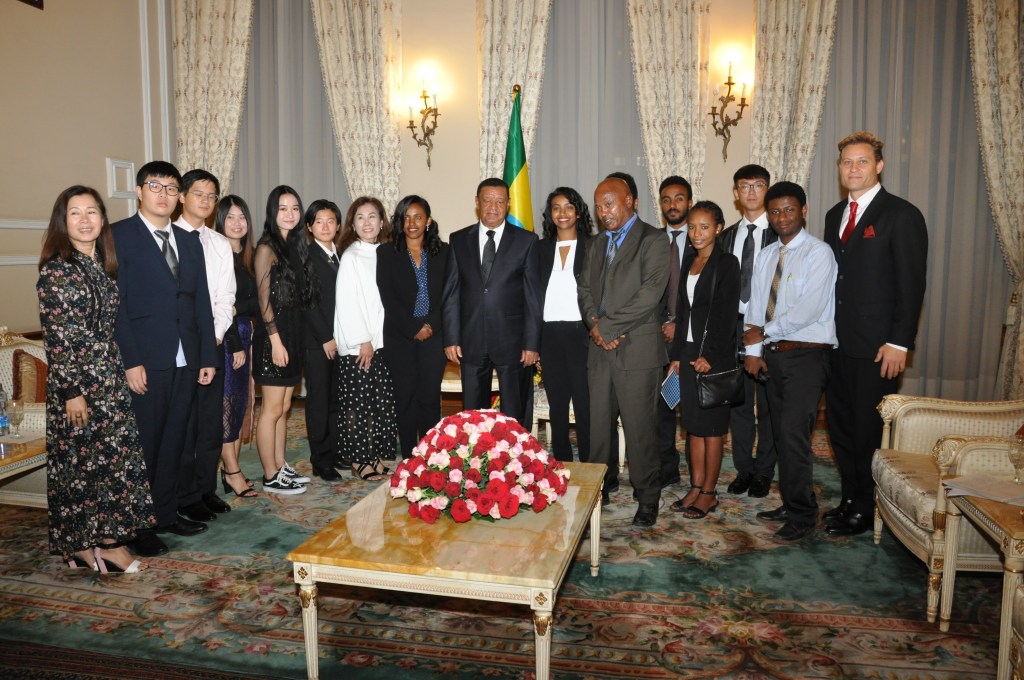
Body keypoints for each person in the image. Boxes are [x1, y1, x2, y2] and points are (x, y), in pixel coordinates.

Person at [37, 185, 154, 573]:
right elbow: (58, 337)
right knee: (83, 464)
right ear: (62, 221)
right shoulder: (57, 270)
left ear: (103, 220)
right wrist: (72, 392)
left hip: (108, 376)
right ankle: (94, 544)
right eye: (75, 213)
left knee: (110, 461)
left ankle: (101, 542)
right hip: (79, 383)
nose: (85, 220)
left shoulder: (101, 265)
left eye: (92, 212)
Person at [823, 131, 928, 536]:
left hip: (880, 348)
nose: (853, 168)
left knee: (868, 430)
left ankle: (866, 509)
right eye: (847, 162)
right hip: (838, 343)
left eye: (862, 161)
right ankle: (850, 498)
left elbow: (911, 284)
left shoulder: (901, 215)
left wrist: (900, 341)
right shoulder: (835, 216)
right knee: (841, 427)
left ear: (879, 166)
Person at [111, 161, 218, 557]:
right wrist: (130, 360)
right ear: (139, 191)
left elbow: (200, 302)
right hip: (145, 358)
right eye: (156, 186)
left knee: (176, 439)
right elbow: (116, 306)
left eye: (172, 189)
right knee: (146, 444)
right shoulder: (119, 236)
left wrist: (207, 353)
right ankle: (138, 525)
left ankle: (166, 512)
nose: (164, 194)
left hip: (186, 355)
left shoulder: (189, 241)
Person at [743, 182, 837, 542]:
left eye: (789, 210)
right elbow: (754, 305)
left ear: (804, 211)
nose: (782, 217)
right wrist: (754, 353)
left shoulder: (819, 253)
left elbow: (809, 310)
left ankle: (802, 516)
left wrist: (764, 332)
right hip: (773, 356)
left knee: (794, 437)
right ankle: (792, 500)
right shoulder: (767, 255)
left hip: (807, 355)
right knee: (779, 436)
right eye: (776, 211)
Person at [578, 177, 669, 527]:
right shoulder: (597, 243)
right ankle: (597, 491)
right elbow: (584, 288)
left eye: (610, 204)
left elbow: (650, 294)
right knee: (598, 429)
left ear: (630, 201)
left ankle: (647, 497)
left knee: (639, 428)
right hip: (600, 350)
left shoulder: (654, 240)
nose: (604, 212)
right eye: (599, 206)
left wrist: (609, 327)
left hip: (637, 351)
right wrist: (594, 324)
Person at [442, 178, 542, 424]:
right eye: (487, 201)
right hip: (471, 338)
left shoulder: (526, 241)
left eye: (499, 201)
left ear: (508, 204)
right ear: (477, 203)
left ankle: (516, 459)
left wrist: (531, 343)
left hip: (513, 341)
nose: (493, 207)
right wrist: (452, 337)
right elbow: (451, 292)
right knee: (473, 414)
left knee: (514, 412)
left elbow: (533, 297)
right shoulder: (458, 239)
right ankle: (477, 458)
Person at [667, 201, 740, 520]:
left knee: (712, 430)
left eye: (705, 227)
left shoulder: (727, 263)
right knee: (693, 428)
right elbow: (683, 313)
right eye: (693, 227)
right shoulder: (689, 261)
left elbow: (726, 315)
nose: (697, 233)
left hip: (714, 358)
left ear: (719, 228)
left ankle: (710, 493)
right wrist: (677, 357)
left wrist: (711, 355)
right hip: (687, 354)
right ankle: (696, 487)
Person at [174, 169, 236, 522]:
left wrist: (215, 335)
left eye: (212, 196)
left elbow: (226, 295)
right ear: (182, 197)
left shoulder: (218, 242)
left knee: (211, 422)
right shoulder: (170, 239)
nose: (206, 201)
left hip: (213, 342)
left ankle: (205, 489)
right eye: (199, 193)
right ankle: (184, 495)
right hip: (182, 347)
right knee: (186, 423)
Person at [718, 164, 778, 499]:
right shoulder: (727, 236)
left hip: (769, 328)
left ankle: (764, 471)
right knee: (738, 402)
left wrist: (768, 328)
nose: (752, 192)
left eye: (758, 185)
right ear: (736, 193)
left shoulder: (781, 231)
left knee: (768, 404)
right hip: (735, 327)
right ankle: (744, 468)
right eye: (745, 185)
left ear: (767, 190)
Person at [378, 195, 450, 459]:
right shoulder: (386, 253)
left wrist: (430, 324)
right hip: (400, 337)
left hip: (435, 336)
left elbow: (449, 295)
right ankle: (410, 454)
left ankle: (430, 453)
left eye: (418, 217)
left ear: (428, 221)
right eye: (406, 217)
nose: (412, 222)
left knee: (429, 397)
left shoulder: (444, 251)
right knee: (405, 397)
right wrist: (413, 328)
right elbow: (388, 297)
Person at [252, 185, 312, 495]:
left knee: (285, 405)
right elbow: (264, 301)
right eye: (282, 208)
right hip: (273, 338)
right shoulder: (266, 248)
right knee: (272, 409)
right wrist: (275, 340)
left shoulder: (295, 246)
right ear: (272, 212)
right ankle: (269, 474)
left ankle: (279, 463)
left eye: (294, 208)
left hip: (293, 334)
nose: (289, 214)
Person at [335, 197, 398, 480]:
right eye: (360, 217)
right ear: (352, 224)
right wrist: (363, 340)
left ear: (382, 222)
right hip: (360, 346)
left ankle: (373, 454)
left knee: (379, 403)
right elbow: (347, 302)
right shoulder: (351, 256)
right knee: (359, 405)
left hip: (383, 343)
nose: (367, 222)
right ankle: (360, 460)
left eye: (373, 216)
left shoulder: (387, 253)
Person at [537, 187, 592, 463]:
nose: (562, 213)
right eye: (556, 207)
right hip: (550, 335)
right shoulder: (540, 248)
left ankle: (591, 467)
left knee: (584, 405)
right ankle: (561, 463)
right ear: (550, 214)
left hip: (582, 334)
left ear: (578, 212)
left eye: (568, 207)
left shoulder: (593, 246)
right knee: (557, 406)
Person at [214, 195, 259, 499]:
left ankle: (232, 467)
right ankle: (231, 471)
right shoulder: (218, 256)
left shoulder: (249, 258)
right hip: (230, 339)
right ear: (220, 221)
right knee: (227, 405)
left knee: (240, 402)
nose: (237, 222)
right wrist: (235, 343)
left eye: (241, 216)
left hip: (246, 333)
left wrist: (239, 309)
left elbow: (253, 303)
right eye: (230, 217)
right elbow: (220, 307)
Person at [301, 199, 343, 481]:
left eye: (330, 221)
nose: (325, 226)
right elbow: (309, 302)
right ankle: (321, 459)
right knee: (319, 399)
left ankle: (335, 450)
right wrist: (326, 337)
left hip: (342, 340)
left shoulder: (341, 255)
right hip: (318, 342)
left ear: (338, 226)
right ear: (309, 227)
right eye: (319, 221)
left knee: (336, 399)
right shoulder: (306, 257)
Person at [656, 175, 694, 487]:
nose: (673, 205)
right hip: (656, 337)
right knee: (661, 406)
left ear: (689, 203)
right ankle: (667, 466)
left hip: (692, 336)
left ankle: (699, 472)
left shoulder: (703, 241)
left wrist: (680, 323)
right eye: (667, 200)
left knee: (693, 404)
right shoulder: (651, 241)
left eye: (679, 198)